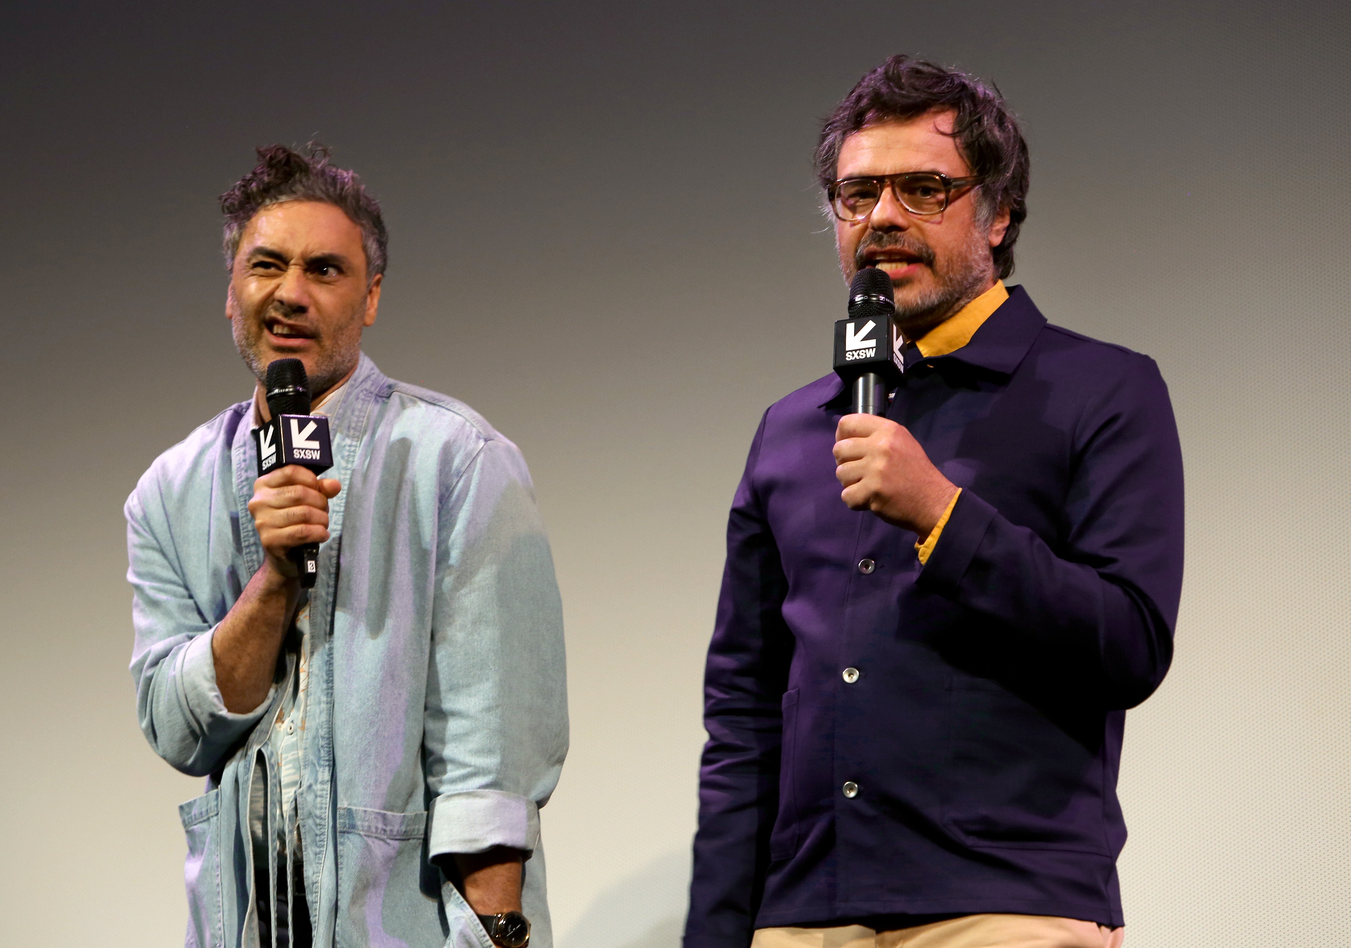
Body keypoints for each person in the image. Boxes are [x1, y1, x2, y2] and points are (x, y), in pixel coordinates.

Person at [686, 56, 1183, 948]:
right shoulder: (792, 428)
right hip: (803, 918)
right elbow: (745, 712)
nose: (882, 217)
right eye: (857, 194)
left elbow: (1130, 645)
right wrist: (719, 932)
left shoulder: (1101, 389)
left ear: (998, 214)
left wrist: (943, 517)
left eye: (922, 189)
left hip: (1005, 906)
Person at [127, 145, 568, 948]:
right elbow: (175, 726)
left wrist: (499, 935)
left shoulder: (457, 461)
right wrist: (271, 583)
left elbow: (494, 757)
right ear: (231, 293)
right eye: (266, 265)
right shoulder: (167, 491)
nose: (290, 293)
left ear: (370, 299)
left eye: (324, 271)